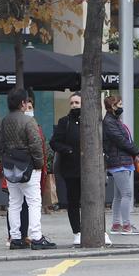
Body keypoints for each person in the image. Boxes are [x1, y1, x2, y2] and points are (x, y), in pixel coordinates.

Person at [0, 87, 55, 250]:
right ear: (22, 103)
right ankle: (36, 237)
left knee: (14, 202)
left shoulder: (1, 123)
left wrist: (1, 166)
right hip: (28, 167)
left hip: (9, 167)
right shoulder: (29, 121)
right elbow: (36, 145)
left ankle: (15, 238)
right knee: (34, 201)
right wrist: (39, 165)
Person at [104, 96, 139, 235]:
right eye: (119, 104)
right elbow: (121, 140)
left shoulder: (114, 120)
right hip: (119, 162)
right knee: (126, 193)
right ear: (113, 106)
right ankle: (126, 226)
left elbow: (123, 139)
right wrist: (136, 151)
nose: (121, 107)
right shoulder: (110, 122)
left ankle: (116, 225)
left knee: (119, 195)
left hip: (121, 161)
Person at [50, 92, 84, 245]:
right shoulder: (64, 122)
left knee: (92, 201)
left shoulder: (90, 120)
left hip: (89, 168)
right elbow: (54, 142)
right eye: (72, 103)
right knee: (73, 201)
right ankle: (77, 231)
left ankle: (98, 230)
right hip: (71, 168)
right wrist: (67, 150)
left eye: (77, 102)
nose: (74, 105)